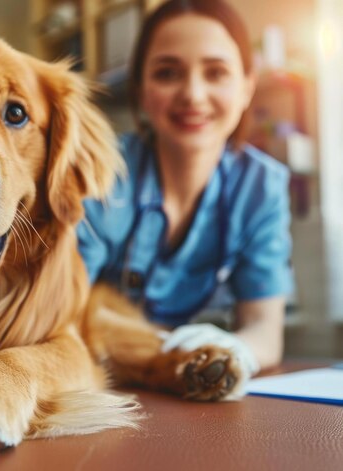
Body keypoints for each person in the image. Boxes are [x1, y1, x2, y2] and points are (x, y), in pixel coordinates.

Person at [77, 0, 293, 376]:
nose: (193, 94)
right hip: (95, 376)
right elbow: (64, 311)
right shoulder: (98, 172)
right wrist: (161, 352)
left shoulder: (261, 188)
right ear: (142, 90)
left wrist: (237, 348)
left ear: (246, 87)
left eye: (216, 72)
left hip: (180, 383)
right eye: (167, 72)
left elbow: (265, 330)